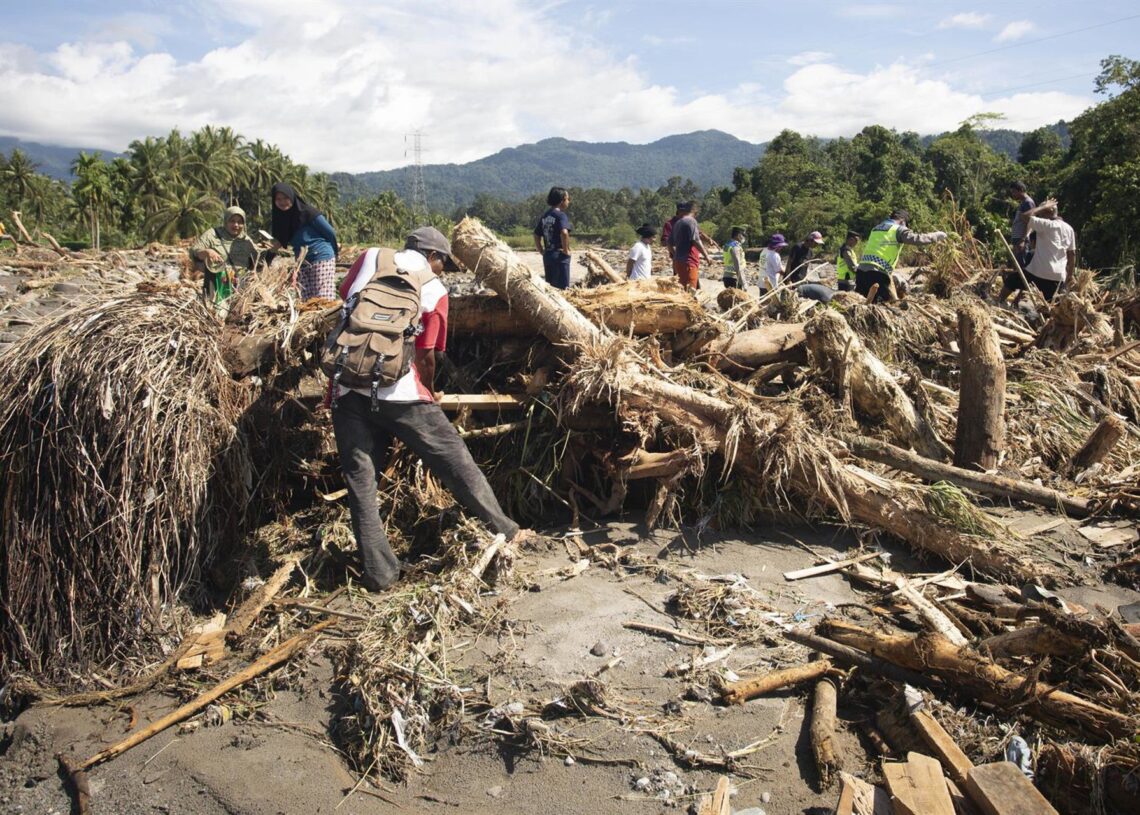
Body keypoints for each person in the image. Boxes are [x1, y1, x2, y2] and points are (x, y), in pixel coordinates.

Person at [330, 226, 524, 591]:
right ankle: (505, 530)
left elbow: (346, 300)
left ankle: (380, 574)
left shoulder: (369, 256)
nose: (442, 270)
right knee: (455, 460)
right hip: (400, 392)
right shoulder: (435, 289)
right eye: (443, 263)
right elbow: (428, 356)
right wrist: (430, 394)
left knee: (361, 483)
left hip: (347, 385)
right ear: (433, 256)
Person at [855, 209, 947, 302]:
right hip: (877, 273)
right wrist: (937, 236)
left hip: (861, 271)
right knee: (881, 305)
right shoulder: (898, 229)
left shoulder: (876, 228)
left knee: (861, 303)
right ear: (902, 221)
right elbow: (917, 239)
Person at [270, 182, 339, 301]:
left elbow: (330, 233)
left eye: (285, 197)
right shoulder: (280, 220)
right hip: (301, 263)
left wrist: (336, 254)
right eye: (278, 199)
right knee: (306, 301)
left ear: (291, 196)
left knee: (322, 300)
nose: (282, 202)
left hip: (321, 257)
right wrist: (262, 263)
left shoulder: (308, 212)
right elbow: (276, 244)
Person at [189, 206, 258, 317]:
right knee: (219, 315)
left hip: (239, 289)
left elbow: (256, 260)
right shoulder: (213, 234)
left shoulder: (246, 240)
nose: (236, 225)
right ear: (226, 221)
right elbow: (194, 251)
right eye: (232, 221)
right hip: (217, 288)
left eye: (240, 222)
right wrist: (207, 252)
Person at [1012, 197, 1076, 302]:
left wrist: (1042, 207)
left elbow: (1024, 216)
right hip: (1058, 277)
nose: (1040, 216)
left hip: (1039, 271)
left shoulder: (1046, 224)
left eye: (1041, 213)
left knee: (1011, 281)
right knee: (1049, 307)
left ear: (1047, 212)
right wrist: (1069, 275)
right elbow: (1072, 253)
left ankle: (999, 301)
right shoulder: (1069, 229)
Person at [998, 181, 1037, 303]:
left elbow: (1031, 223)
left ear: (1020, 190)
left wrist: (1023, 240)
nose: (1013, 195)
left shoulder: (1028, 203)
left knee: (1023, 271)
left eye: (1014, 192)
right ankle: (1015, 298)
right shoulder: (1023, 203)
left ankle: (1018, 299)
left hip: (1021, 241)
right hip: (1018, 240)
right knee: (1018, 269)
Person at [533, 186, 572, 289]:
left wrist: (542, 251)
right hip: (559, 256)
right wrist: (566, 250)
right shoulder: (560, 215)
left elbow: (536, 235)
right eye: (568, 199)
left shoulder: (545, 216)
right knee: (563, 289)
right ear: (562, 200)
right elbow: (564, 232)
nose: (569, 201)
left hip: (548, 255)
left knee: (551, 288)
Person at [667, 201, 712, 290]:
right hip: (689, 261)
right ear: (695, 211)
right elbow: (695, 240)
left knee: (681, 290)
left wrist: (676, 255)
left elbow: (669, 244)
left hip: (678, 262)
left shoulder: (677, 223)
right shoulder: (691, 221)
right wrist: (707, 256)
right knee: (690, 291)